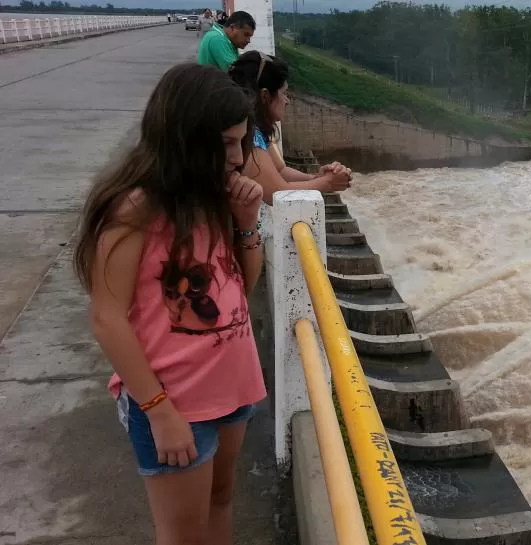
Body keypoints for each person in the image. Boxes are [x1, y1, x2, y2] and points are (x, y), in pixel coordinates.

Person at [73, 63, 266, 545]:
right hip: (174, 398)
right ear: (183, 139)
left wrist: (246, 221)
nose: (236, 159)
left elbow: (242, 288)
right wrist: (159, 411)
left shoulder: (215, 196)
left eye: (240, 143)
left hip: (233, 384)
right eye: (223, 144)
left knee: (221, 503)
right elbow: (106, 317)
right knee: (182, 534)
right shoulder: (133, 208)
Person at [228, 51, 352, 204]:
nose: (287, 101)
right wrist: (327, 183)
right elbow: (276, 193)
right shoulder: (248, 134)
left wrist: (317, 178)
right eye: (283, 93)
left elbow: (281, 171)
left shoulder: (256, 128)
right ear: (265, 96)